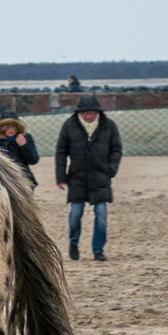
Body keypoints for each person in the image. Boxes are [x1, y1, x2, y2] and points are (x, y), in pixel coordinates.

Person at [55, 94, 121, 261]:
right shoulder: (69, 125)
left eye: (92, 113)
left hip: (101, 177)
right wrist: (61, 177)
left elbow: (116, 149)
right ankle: (74, 242)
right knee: (75, 214)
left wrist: (111, 169)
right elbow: (61, 152)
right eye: (85, 113)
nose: (89, 116)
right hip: (77, 177)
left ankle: (98, 250)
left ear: (97, 112)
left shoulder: (108, 126)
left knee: (102, 214)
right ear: (80, 112)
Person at [0, 109, 39, 187]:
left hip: (24, 179)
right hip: (4, 180)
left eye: (13, 126)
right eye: (7, 126)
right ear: (1, 128)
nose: (11, 129)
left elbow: (33, 160)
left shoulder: (25, 138)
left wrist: (24, 145)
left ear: (18, 127)